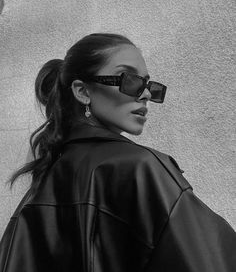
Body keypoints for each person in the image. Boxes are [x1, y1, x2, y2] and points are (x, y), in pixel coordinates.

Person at [0, 33, 235, 272]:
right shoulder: (141, 169)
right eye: (130, 80)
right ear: (82, 91)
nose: (145, 95)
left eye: (148, 85)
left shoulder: (38, 191)